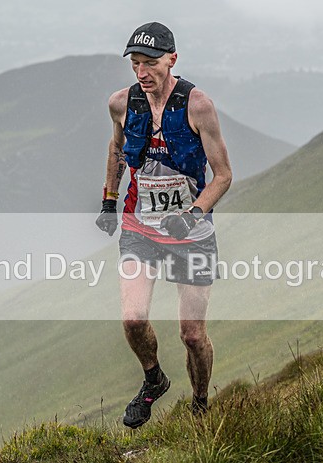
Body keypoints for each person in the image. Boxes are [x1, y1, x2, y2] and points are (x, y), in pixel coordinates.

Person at [95, 22, 232, 428]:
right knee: (133, 319)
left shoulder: (198, 105)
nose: (142, 72)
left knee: (192, 335)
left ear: (172, 59)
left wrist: (190, 217)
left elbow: (223, 175)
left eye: (151, 63)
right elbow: (117, 150)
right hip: (140, 228)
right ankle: (153, 379)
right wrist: (108, 200)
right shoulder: (121, 103)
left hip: (191, 233)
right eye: (135, 64)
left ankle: (201, 404)